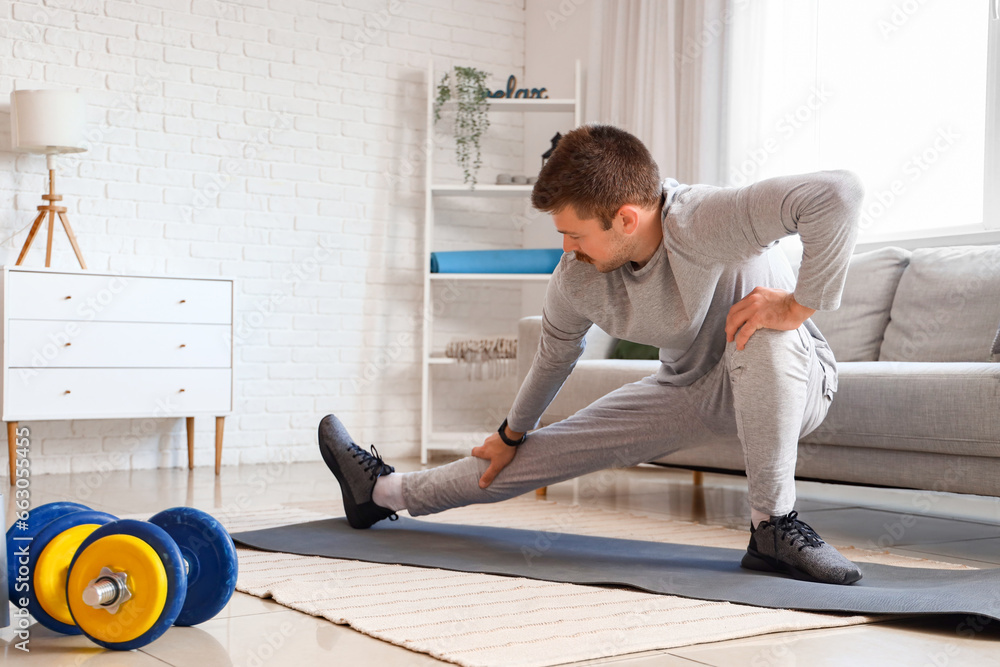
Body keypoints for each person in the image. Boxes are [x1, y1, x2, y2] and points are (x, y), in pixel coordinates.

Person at [319, 124, 865, 585]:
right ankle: (381, 493)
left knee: (758, 329)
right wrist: (511, 435)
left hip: (793, 381)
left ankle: (773, 526)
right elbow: (555, 356)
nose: (566, 248)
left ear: (625, 219)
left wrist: (799, 306)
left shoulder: (702, 220)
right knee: (532, 454)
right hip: (688, 388)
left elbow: (837, 194)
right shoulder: (577, 277)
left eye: (575, 234)